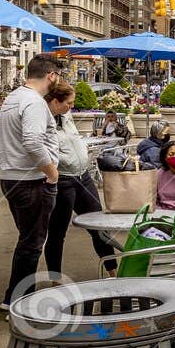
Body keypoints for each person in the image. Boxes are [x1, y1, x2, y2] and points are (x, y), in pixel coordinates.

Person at [0, 55, 61, 311]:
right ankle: (18, 301)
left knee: (28, 240)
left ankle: (13, 296)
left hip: (13, 177)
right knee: (32, 244)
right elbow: (32, 141)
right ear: (51, 76)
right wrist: (51, 171)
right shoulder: (33, 102)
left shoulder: (13, 97)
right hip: (31, 180)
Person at [43, 79, 115, 278]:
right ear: (55, 101)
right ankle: (54, 279)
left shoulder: (65, 116)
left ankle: (113, 271)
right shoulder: (42, 119)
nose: (72, 107)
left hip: (83, 177)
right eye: (69, 103)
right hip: (63, 180)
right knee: (57, 232)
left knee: (99, 226)